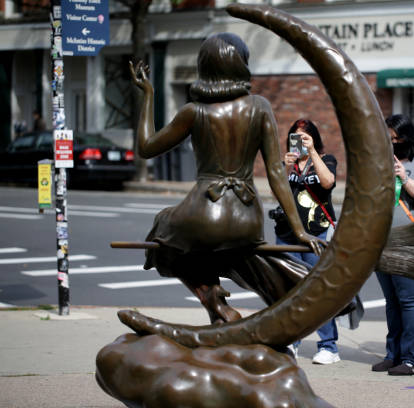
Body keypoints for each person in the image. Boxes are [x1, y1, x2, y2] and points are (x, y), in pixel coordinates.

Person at [129, 33, 324, 326]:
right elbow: (274, 172)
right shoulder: (260, 106)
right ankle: (218, 312)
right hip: (247, 217)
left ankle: (213, 300)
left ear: (204, 66)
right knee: (217, 251)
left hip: (205, 213)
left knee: (164, 232)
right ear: (240, 65)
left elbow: (146, 148)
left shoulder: (193, 112)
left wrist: (148, 96)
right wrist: (299, 230)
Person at [371, 114, 414, 376]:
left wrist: (405, 178)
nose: (392, 143)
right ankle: (394, 354)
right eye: (388, 138)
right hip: (383, 239)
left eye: (396, 138)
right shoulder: (382, 160)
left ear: (407, 136)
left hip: (411, 239)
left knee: (410, 300)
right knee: (392, 301)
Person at [273, 118, 340, 365]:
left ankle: (329, 346)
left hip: (317, 235)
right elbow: (275, 191)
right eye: (295, 136)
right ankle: (292, 340)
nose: (299, 141)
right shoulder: (287, 164)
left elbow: (328, 183)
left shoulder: (326, 159)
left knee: (318, 288)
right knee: (289, 290)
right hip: (287, 235)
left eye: (304, 137)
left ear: (313, 138)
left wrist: (311, 152)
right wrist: (283, 167)